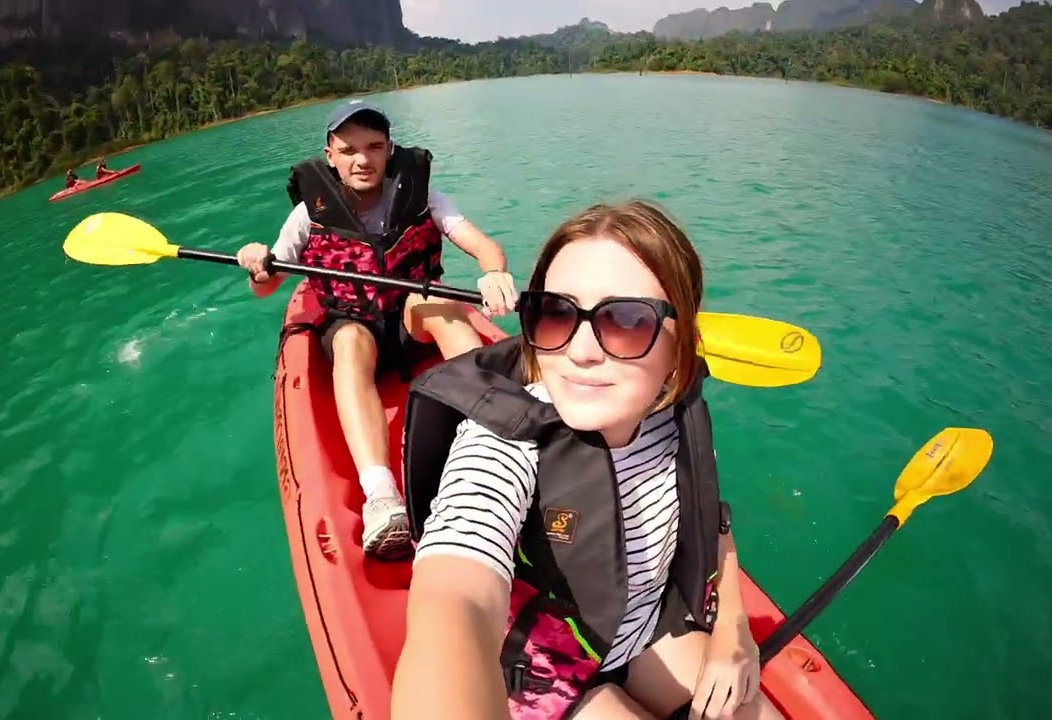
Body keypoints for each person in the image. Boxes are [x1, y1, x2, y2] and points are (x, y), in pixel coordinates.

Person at [392, 200, 783, 720]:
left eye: (626, 320)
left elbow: (715, 524)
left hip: (644, 634)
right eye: (556, 313)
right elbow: (455, 601)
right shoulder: (504, 443)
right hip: (543, 661)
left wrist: (734, 633)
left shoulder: (674, 416)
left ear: (681, 341)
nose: (579, 351)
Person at [236, 99, 518, 561]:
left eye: (374, 147)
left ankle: (497, 437)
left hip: (409, 322)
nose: (362, 160)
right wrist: (256, 264)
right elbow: (267, 286)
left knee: (438, 300)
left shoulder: (421, 195)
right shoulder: (309, 213)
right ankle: (382, 496)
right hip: (354, 323)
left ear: (390, 149)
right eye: (348, 150)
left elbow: (484, 247)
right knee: (347, 342)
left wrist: (494, 273)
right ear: (330, 155)